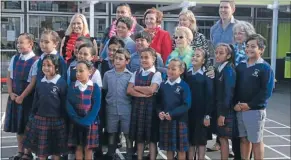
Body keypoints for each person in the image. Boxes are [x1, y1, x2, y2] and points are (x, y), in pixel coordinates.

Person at [234, 34, 274, 160]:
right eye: (247, 46)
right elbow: (235, 87)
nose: (249, 49)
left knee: (256, 141)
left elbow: (266, 92)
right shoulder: (240, 66)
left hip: (255, 110)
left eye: (253, 46)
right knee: (244, 140)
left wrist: (250, 105)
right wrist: (236, 103)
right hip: (240, 109)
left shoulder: (265, 68)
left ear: (261, 49)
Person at [22, 54, 68, 160]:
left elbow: (64, 103)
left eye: (49, 65)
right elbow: (35, 101)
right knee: (42, 152)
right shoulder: (40, 82)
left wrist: (64, 119)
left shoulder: (61, 83)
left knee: (56, 152)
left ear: (56, 68)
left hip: (57, 120)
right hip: (40, 119)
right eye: (44, 65)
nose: (45, 68)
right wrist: (33, 115)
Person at [4, 33, 38, 160]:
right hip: (15, 97)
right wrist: (11, 92)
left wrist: (22, 96)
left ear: (31, 44)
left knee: (27, 126)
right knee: (18, 127)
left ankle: (27, 153)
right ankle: (20, 151)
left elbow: (33, 82)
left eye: (21, 42)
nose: (18, 45)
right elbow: (9, 76)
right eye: (18, 42)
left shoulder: (36, 60)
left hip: (27, 99)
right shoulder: (15, 58)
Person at [127, 47, 162, 160]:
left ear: (153, 59)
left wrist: (136, 87)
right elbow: (129, 90)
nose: (143, 60)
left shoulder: (157, 74)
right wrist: (143, 93)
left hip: (151, 109)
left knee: (152, 138)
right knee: (139, 137)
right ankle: (140, 158)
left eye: (146, 57)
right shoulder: (136, 73)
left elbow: (151, 90)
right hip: (137, 108)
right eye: (141, 58)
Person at [156, 58, 191, 160]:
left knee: (181, 150)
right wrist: (160, 112)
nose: (170, 71)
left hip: (180, 122)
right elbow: (158, 103)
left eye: (173, 69)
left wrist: (172, 114)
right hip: (166, 121)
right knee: (169, 149)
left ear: (181, 71)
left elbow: (186, 105)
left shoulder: (184, 86)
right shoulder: (163, 85)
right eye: (169, 68)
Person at [66, 60, 101, 160]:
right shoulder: (72, 86)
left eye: (81, 71)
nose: (78, 74)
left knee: (88, 148)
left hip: (90, 123)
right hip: (76, 123)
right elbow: (69, 104)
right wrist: (77, 119)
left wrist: (87, 121)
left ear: (89, 72)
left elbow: (96, 106)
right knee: (78, 147)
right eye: (76, 71)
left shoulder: (95, 87)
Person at [103, 48, 133, 160]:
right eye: (116, 58)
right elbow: (105, 89)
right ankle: (111, 153)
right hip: (111, 109)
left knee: (127, 134)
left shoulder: (130, 76)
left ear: (127, 61)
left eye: (121, 59)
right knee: (111, 132)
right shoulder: (107, 75)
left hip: (126, 109)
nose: (117, 61)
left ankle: (129, 154)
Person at [186, 48, 214, 160]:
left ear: (203, 61)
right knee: (190, 140)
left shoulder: (207, 75)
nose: (194, 57)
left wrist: (207, 115)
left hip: (202, 113)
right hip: (189, 113)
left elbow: (210, 96)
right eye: (193, 55)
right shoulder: (187, 74)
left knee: (201, 141)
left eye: (198, 56)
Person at [215, 43, 236, 159]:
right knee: (221, 138)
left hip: (225, 110)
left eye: (221, 53)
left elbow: (228, 93)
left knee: (224, 138)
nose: (217, 55)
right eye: (216, 52)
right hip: (220, 108)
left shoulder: (228, 70)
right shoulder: (220, 68)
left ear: (228, 56)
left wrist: (223, 113)